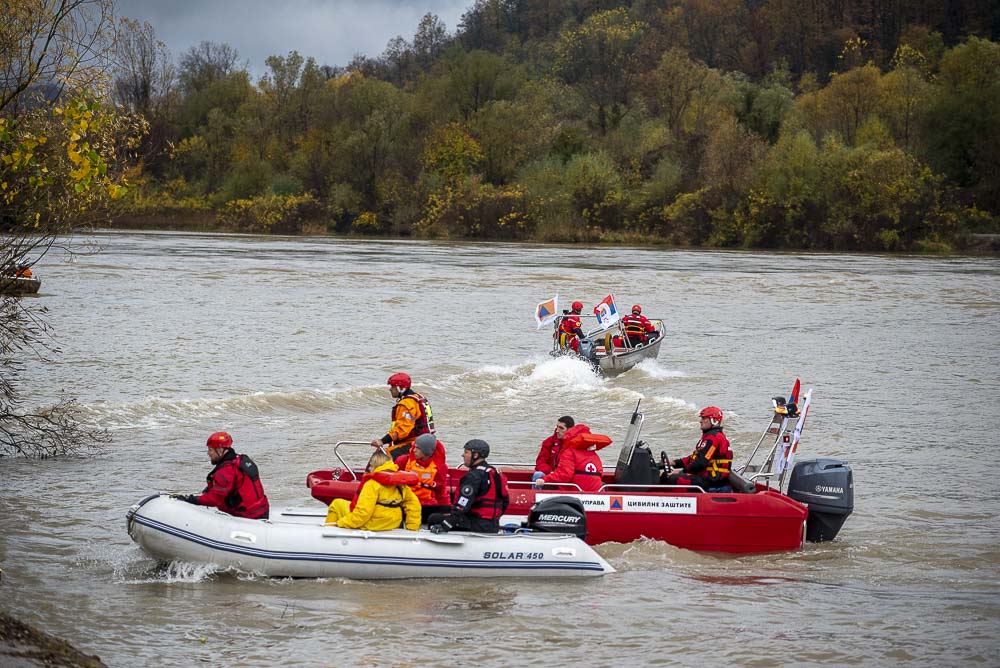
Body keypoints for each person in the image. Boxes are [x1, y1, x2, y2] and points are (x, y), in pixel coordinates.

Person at [176, 431, 270, 520]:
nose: (208, 453)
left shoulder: (226, 470)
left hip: (248, 517)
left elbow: (214, 499)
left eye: (210, 450)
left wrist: (190, 499)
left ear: (220, 450)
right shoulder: (242, 459)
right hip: (262, 510)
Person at [325, 450, 422, 530]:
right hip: (393, 523)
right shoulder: (400, 484)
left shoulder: (372, 484)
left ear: (375, 466)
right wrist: (412, 528)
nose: (369, 468)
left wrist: (341, 523)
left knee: (336, 504)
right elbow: (414, 505)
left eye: (371, 466)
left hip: (373, 524)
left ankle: (328, 531)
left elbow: (363, 513)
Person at [427, 439, 509, 534]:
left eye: (466, 452)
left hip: (477, 525)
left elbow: (461, 506)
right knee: (444, 509)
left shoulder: (473, 477)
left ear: (475, 455)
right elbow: (505, 502)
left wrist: (445, 525)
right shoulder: (495, 473)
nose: (463, 455)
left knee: (434, 518)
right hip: (493, 524)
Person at [660, 406, 733, 490]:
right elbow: (694, 458)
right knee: (667, 475)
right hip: (708, 476)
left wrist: (681, 471)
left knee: (670, 478)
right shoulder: (710, 436)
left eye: (704, 418)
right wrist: (673, 463)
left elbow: (701, 462)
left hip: (711, 479)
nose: (700, 421)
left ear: (714, 421)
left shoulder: (713, 438)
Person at [371, 372, 436, 460]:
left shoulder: (406, 404)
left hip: (414, 443)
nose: (390, 389)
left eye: (393, 387)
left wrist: (382, 441)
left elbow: (402, 429)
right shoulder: (419, 398)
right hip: (426, 442)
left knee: (380, 457)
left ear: (400, 388)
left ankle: (370, 473)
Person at [533, 424, 610, 492]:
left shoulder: (570, 452)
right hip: (597, 493)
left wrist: (544, 479)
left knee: (538, 478)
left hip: (574, 492)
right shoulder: (594, 455)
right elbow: (600, 473)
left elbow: (564, 475)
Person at [394, 432, 450, 523]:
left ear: (427, 451)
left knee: (438, 515)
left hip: (427, 505)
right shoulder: (403, 461)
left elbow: (441, 491)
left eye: (418, 448)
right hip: (405, 503)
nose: (414, 450)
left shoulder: (440, 467)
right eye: (414, 446)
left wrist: (447, 509)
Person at [531, 416, 575, 482]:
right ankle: (535, 492)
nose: (557, 430)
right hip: (550, 475)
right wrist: (551, 472)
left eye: (561, 428)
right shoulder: (548, 442)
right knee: (538, 475)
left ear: (570, 430)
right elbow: (541, 462)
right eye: (557, 427)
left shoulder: (576, 444)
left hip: (567, 477)